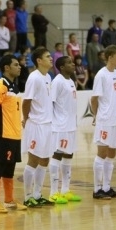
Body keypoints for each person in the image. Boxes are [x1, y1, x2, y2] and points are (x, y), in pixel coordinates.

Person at [0, 54, 27, 213]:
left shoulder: (14, 86)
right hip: (4, 133)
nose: (20, 66)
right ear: (7, 68)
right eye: (16, 64)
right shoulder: (0, 85)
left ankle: (9, 200)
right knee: (0, 165)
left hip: (15, 133)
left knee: (10, 167)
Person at [21, 47, 54, 208]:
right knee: (33, 159)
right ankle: (27, 197)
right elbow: (26, 102)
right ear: (39, 61)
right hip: (36, 124)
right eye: (47, 56)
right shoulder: (34, 78)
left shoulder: (48, 77)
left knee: (45, 159)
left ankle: (38, 194)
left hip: (47, 124)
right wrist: (26, 119)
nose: (51, 58)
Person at [90, 45, 116, 200]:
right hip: (104, 120)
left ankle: (107, 187)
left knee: (112, 153)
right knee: (102, 153)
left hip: (115, 120)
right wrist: (96, 116)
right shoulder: (101, 75)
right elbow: (94, 98)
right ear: (110, 57)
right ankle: (97, 189)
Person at [48, 56, 82, 204]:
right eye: (69, 62)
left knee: (69, 155)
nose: (73, 64)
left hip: (71, 125)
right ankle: (53, 192)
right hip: (60, 126)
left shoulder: (70, 81)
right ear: (61, 67)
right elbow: (50, 103)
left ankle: (65, 190)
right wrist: (52, 123)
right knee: (57, 154)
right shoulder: (57, 82)